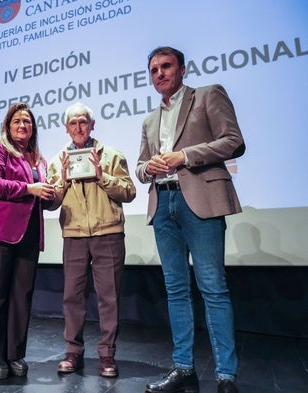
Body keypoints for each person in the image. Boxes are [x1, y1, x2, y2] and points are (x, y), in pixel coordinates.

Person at [135, 46, 245, 393]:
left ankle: (226, 375)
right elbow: (140, 167)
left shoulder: (208, 96)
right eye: (153, 70)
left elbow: (234, 141)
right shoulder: (149, 120)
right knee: (176, 290)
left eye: (166, 67)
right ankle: (183, 368)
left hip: (199, 199)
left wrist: (185, 155)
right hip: (162, 202)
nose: (159, 74)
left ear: (182, 69)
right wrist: (147, 168)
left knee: (213, 288)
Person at [47, 102, 136, 378]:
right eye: (72, 123)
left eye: (83, 122)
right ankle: (73, 351)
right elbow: (50, 204)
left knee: (108, 298)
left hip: (107, 232)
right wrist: (61, 180)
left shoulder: (111, 155)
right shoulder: (57, 160)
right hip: (74, 234)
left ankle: (107, 355)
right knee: (72, 297)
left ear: (92, 124)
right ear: (66, 128)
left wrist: (102, 176)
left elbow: (129, 191)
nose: (78, 127)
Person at [0, 103, 56, 379]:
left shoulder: (39, 160)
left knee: (22, 295)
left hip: (29, 233)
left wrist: (52, 194)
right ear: (8, 126)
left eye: (27, 122)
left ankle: (14, 352)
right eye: (17, 121)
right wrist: (29, 188)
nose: (22, 125)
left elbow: (43, 198)